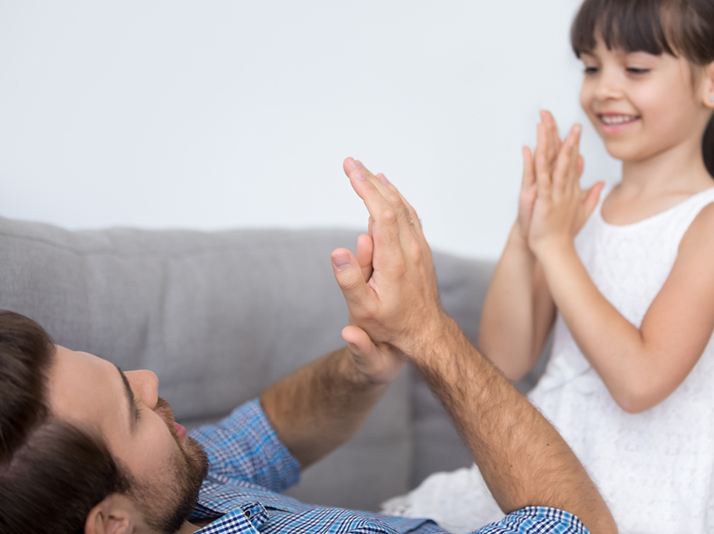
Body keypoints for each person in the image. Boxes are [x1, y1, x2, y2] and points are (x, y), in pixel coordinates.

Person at [0, 158, 617, 534]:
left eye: (119, 373)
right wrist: (428, 331)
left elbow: (269, 431)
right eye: (132, 409)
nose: (148, 380)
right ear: (110, 522)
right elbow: (578, 528)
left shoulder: (165, 493)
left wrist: (365, 368)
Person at [380, 1, 714, 533]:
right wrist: (527, 231)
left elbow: (639, 382)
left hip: (646, 496)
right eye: (590, 65)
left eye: (636, 68)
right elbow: (506, 359)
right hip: (540, 475)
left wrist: (555, 247)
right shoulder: (581, 213)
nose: (603, 88)